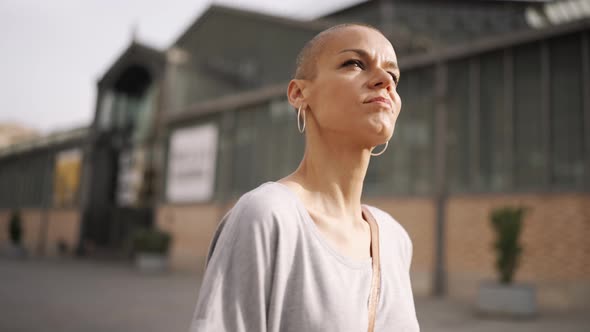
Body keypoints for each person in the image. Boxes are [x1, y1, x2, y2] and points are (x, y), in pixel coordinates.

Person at [189, 23, 420, 332]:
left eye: (393, 75)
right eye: (354, 63)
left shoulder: (395, 239)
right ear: (299, 93)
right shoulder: (268, 217)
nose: (384, 81)